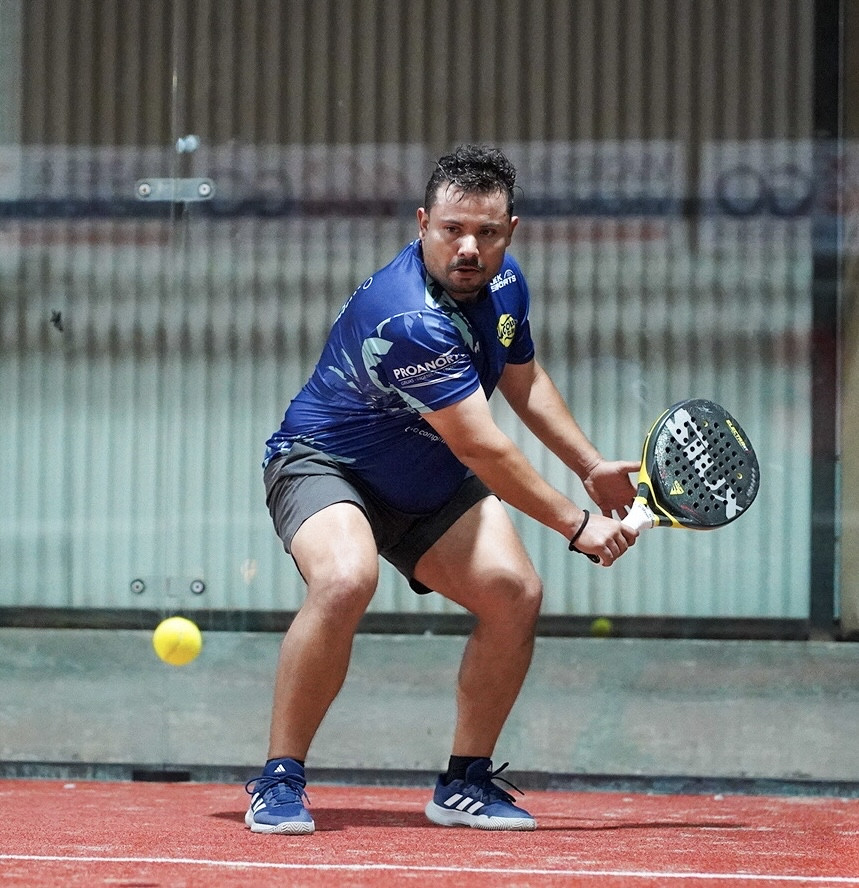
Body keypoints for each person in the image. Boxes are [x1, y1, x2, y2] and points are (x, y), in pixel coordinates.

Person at [245, 144, 639, 835]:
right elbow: (480, 445)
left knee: (513, 594)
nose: (468, 248)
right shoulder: (410, 319)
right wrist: (576, 524)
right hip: (326, 463)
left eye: (486, 232)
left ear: (510, 231)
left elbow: (522, 379)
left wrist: (589, 464)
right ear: (423, 223)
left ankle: (463, 782)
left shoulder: (504, 283)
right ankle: (279, 778)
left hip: (424, 474)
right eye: (452, 229)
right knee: (345, 579)